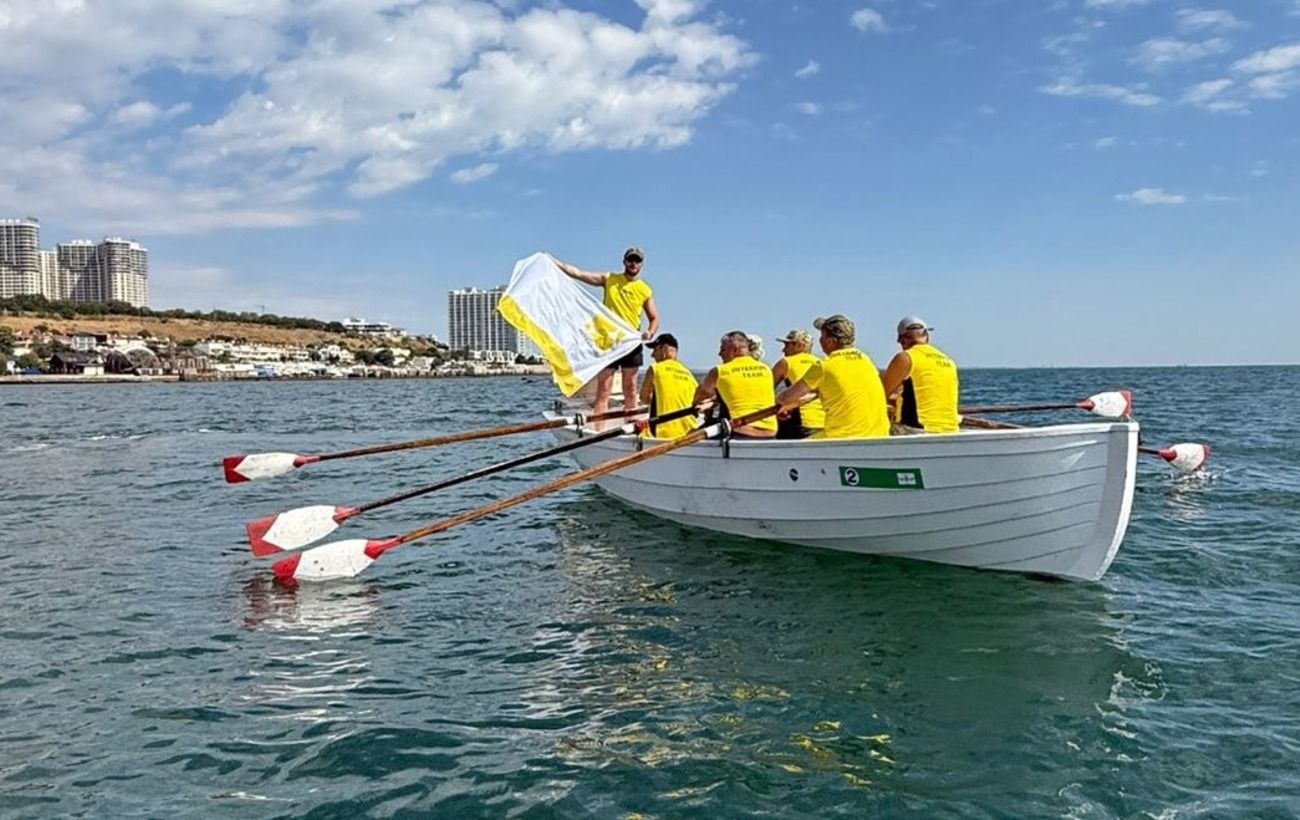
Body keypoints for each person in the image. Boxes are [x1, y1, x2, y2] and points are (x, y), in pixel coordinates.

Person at [551, 246, 660, 420]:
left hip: (631, 343)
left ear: (641, 265)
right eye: (630, 260)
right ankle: (598, 429)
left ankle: (630, 427)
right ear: (624, 261)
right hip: (608, 343)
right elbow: (579, 274)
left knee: (630, 389)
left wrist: (650, 332)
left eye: (637, 261)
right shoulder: (610, 279)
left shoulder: (645, 290)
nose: (633, 263)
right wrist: (555, 264)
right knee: (604, 389)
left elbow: (654, 318)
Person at [775, 314, 889, 439]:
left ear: (829, 341)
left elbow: (784, 398)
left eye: (822, 336)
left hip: (841, 437)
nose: (820, 341)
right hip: (879, 434)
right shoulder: (866, 360)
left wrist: (779, 406)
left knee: (794, 450)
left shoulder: (824, 365)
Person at [880, 315, 959, 433]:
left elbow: (880, 394)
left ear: (901, 339)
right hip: (950, 428)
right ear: (927, 336)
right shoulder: (948, 361)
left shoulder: (906, 358)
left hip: (918, 429)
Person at [692, 330, 778, 439]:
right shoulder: (766, 369)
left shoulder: (720, 371)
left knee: (694, 432)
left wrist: (693, 406)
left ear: (735, 350)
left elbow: (701, 394)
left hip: (741, 432)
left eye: (722, 349)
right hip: (771, 432)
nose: (719, 354)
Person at [638, 333, 699, 439]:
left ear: (664, 349)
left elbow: (644, 398)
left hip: (664, 434)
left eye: (655, 350)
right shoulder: (689, 375)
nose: (652, 355)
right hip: (690, 432)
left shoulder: (655, 368)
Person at [771, 329, 825, 439]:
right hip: (823, 422)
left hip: (799, 423)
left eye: (787, 345)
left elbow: (766, 389)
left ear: (799, 345)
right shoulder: (820, 363)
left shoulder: (786, 362)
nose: (783, 349)